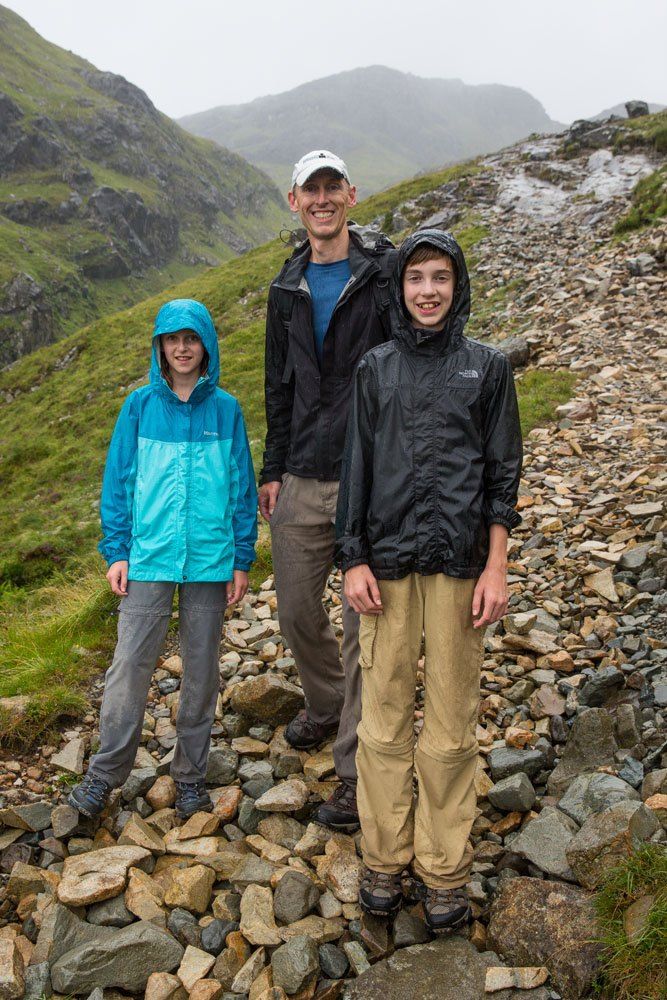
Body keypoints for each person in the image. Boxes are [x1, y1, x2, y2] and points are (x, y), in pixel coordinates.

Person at [335, 229, 523, 930]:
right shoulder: (374, 369)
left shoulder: (488, 368)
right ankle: (383, 858)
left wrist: (496, 564)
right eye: (415, 278)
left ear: (457, 285)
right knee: (381, 720)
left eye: (439, 277)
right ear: (400, 288)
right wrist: (352, 557)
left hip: (460, 569)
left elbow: (503, 472)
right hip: (384, 568)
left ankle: (442, 868)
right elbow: (354, 470)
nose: (427, 291)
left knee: (449, 723)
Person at [69, 299, 257, 821]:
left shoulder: (227, 410)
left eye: (191, 339)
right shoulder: (138, 407)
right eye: (171, 339)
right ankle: (105, 775)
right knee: (129, 666)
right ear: (159, 346)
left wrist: (242, 557)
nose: (181, 348)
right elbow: (119, 481)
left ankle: (190, 777)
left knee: (201, 670)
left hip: (209, 560)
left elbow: (241, 488)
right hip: (148, 557)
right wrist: (117, 551)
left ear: (206, 347)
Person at [258, 150, 396, 831]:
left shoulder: (383, 274)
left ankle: (352, 770)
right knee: (292, 610)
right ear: (294, 201)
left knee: (359, 624)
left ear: (349, 193)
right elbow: (275, 386)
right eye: (309, 190)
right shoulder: (286, 287)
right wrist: (271, 469)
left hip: (368, 475)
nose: (320, 199)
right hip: (303, 473)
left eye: (330, 188)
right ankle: (325, 701)